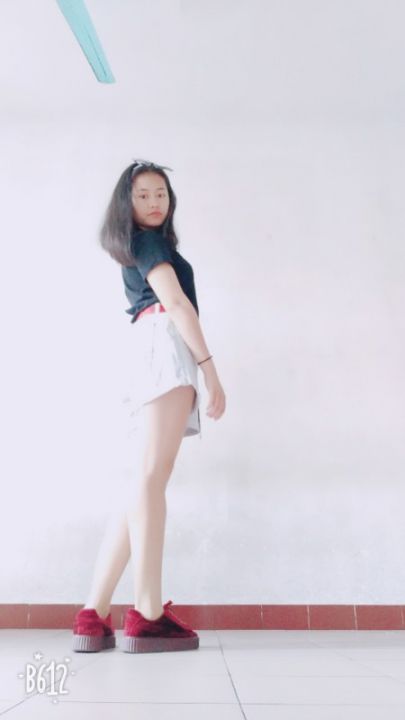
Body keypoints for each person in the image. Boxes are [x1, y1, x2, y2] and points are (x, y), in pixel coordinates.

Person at [72, 159, 226, 654]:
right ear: (127, 203)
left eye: (161, 193)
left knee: (142, 484)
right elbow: (176, 304)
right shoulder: (151, 244)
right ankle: (148, 613)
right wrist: (209, 369)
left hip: (147, 346)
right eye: (143, 195)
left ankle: (93, 613)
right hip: (164, 341)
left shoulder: (139, 244)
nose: (154, 202)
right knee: (150, 480)